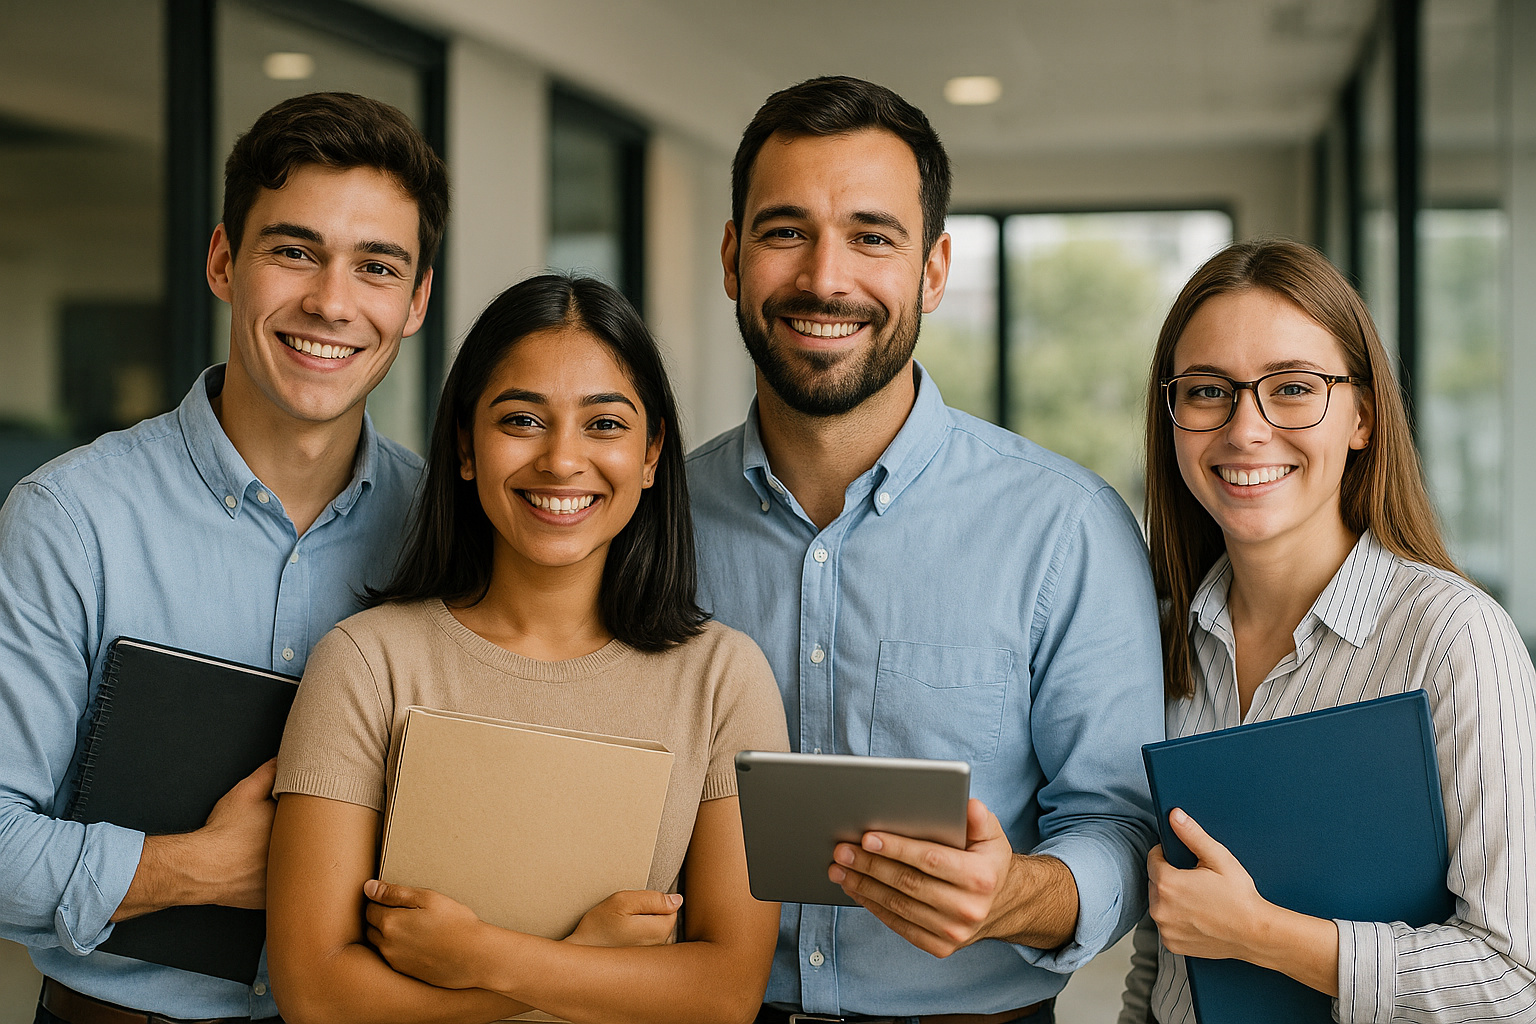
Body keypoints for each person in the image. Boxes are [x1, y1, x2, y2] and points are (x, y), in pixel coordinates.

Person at [686, 75, 1164, 1023]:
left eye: (872, 236)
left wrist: (1015, 896)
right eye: (786, 232)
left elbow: (1121, 825)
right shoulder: (649, 521)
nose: (826, 278)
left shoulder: (1063, 528)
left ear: (934, 271)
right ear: (734, 259)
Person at [0, 92, 443, 1024]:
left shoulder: (449, 532)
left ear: (415, 302)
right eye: (294, 251)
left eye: (376, 266)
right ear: (221, 262)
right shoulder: (72, 519)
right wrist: (196, 868)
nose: (331, 301)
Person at [265, 273, 788, 1024]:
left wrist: (479, 955)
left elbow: (726, 993)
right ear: (466, 446)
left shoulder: (723, 678)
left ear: (651, 453)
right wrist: (586, 961)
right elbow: (316, 994)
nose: (561, 461)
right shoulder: (367, 662)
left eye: (604, 424)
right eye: (520, 420)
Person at [1117, 239, 1536, 1023]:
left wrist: (1260, 935)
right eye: (1209, 391)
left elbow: (1515, 979)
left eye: (1294, 388)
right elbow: (1167, 945)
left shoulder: (1453, 638)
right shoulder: (1161, 639)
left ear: (1362, 417)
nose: (1247, 430)